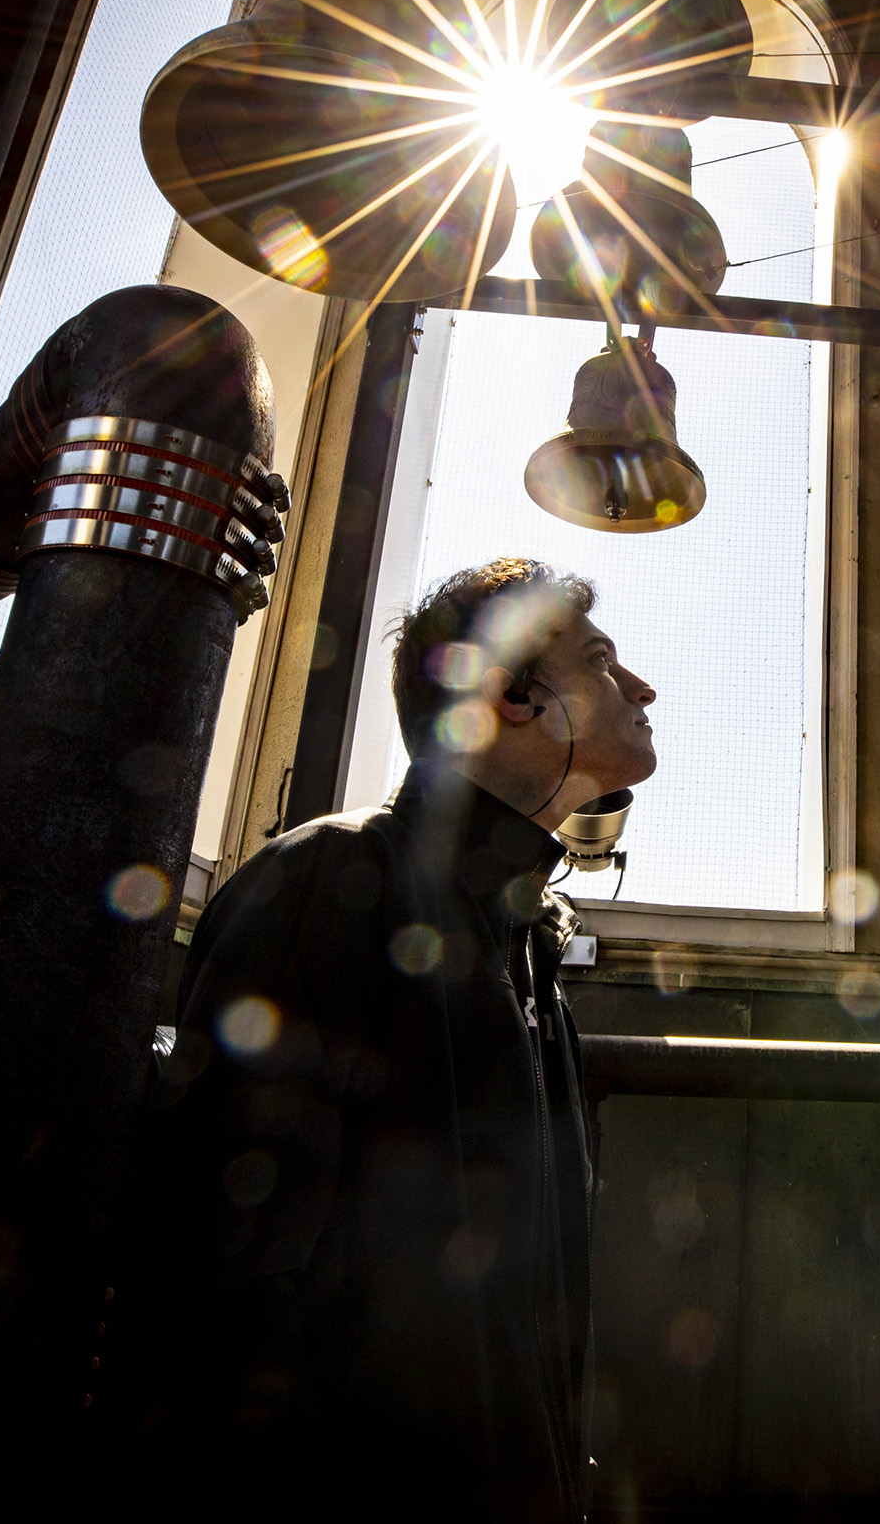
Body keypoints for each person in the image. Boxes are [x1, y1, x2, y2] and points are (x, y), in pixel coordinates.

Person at [125, 557, 656, 1517]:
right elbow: (227, 1282)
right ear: (516, 695)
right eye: (605, 660)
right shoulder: (331, 879)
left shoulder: (524, 940)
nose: (643, 687)